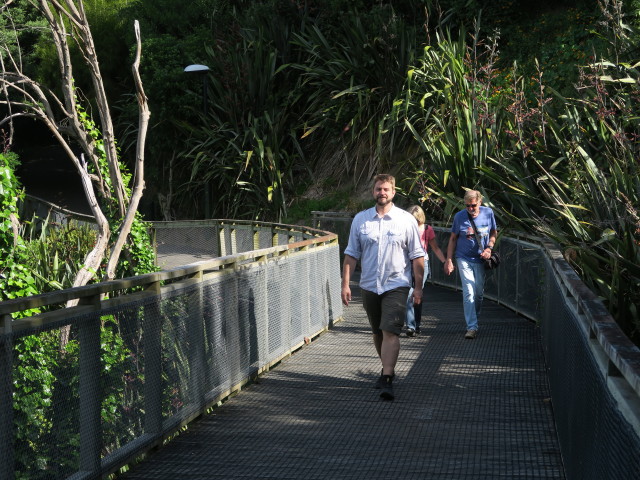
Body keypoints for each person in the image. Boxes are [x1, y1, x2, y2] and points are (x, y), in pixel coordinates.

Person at [341, 174, 425, 401]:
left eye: (386, 189)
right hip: (369, 285)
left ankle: (387, 377)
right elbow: (351, 254)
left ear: (394, 192)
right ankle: (387, 367)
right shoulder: (361, 220)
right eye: (378, 189)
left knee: (390, 330)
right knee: (377, 331)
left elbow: (417, 256)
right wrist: (346, 284)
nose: (382, 193)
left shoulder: (406, 220)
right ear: (373, 192)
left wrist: (418, 288)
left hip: (396, 284)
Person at [443, 190, 497, 339]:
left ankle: (475, 317)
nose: (471, 209)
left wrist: (489, 248)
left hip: (480, 259)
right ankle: (471, 327)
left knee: (478, 293)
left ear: (480, 202)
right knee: (469, 292)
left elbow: (493, 232)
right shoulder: (459, 217)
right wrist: (449, 259)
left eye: (473, 205)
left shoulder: (488, 213)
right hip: (463, 257)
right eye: (468, 206)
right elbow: (453, 238)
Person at [405, 205, 446, 337]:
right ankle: (410, 326)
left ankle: (417, 324)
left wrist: (445, 262)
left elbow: (435, 248)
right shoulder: (404, 228)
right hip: (406, 264)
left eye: (416, 220)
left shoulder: (427, 229)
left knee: (418, 294)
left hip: (422, 264)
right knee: (408, 293)